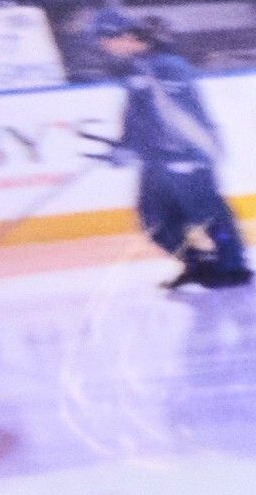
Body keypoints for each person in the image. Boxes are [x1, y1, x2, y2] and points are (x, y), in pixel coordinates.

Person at [100, 17, 245, 290]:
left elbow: (177, 115)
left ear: (132, 38)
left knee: (207, 213)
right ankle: (197, 263)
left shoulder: (166, 67)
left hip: (185, 154)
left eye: (112, 39)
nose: (107, 46)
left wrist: (184, 152)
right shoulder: (139, 69)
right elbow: (137, 117)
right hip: (157, 160)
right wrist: (126, 146)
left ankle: (234, 265)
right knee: (154, 219)